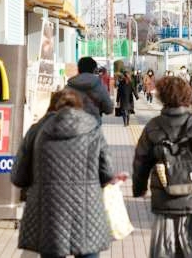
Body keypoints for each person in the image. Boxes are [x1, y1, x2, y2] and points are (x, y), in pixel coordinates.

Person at [12, 89, 126, 258]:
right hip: (87, 212)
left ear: (52, 106)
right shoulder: (93, 128)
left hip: (48, 214)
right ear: (79, 107)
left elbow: (18, 177)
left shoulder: (37, 130)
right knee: (88, 250)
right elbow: (106, 172)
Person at [132, 77, 192, 258]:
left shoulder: (153, 125)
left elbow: (141, 160)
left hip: (163, 195)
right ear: (187, 96)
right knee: (189, 245)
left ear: (162, 97)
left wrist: (139, 187)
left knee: (163, 248)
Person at [67, 57, 114, 121]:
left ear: (78, 69)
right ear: (94, 70)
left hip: (72, 125)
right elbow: (109, 109)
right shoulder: (98, 85)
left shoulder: (69, 85)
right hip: (93, 125)